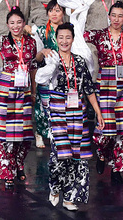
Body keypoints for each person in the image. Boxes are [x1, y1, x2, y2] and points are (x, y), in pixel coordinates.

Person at [41, 23, 104, 211]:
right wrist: (42, 51)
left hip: (78, 111)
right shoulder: (51, 59)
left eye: (68, 37)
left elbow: (89, 89)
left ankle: (70, 197)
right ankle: (54, 188)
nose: (64, 41)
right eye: (61, 37)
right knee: (59, 154)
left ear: (73, 39)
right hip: (58, 109)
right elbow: (35, 63)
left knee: (78, 156)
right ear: (56, 39)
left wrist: (98, 111)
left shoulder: (80, 61)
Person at [0, 7, 38, 189]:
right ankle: (7, 172)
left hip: (25, 89)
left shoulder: (31, 42)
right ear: (7, 25)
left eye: (19, 22)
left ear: (24, 23)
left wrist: (34, 90)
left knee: (25, 132)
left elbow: (33, 67)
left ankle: (18, 164)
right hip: (6, 88)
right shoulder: (2, 40)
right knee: (4, 133)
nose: (16, 26)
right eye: (12, 23)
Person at [84, 1, 123, 184]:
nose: (116, 19)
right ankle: (102, 154)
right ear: (109, 16)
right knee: (105, 129)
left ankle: (117, 168)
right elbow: (80, 35)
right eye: (113, 15)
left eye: (120, 16)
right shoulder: (98, 35)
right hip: (104, 82)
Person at [30, 0, 66, 148]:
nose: (54, 14)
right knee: (43, 104)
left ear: (63, 12)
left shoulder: (69, 30)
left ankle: (58, 133)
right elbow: (36, 59)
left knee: (61, 105)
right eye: (51, 11)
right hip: (46, 74)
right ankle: (39, 131)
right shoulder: (41, 30)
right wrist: (42, 52)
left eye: (57, 10)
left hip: (63, 73)